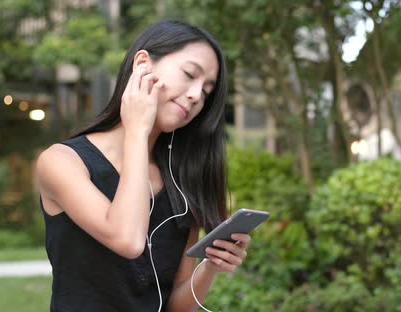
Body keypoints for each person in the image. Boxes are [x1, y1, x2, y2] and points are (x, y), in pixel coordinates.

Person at [36, 20, 250, 312]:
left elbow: (175, 305)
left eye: (206, 91)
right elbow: (127, 239)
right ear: (143, 65)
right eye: (189, 74)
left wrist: (211, 263)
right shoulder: (62, 161)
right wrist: (138, 130)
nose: (196, 95)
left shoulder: (181, 178)